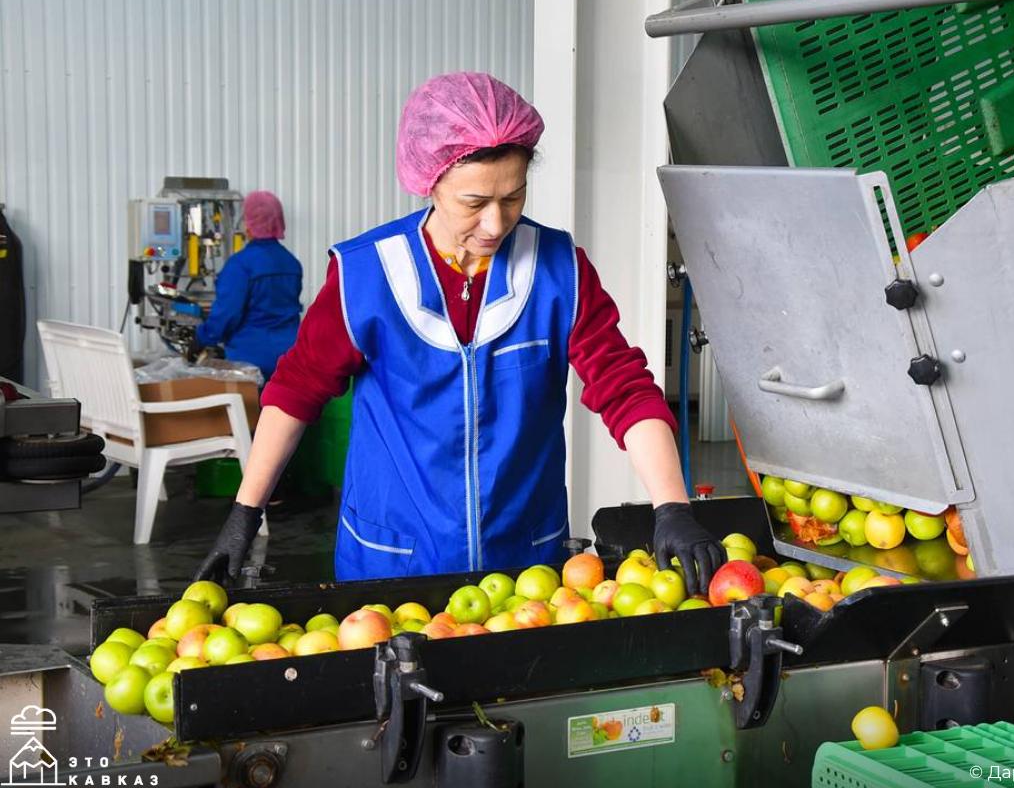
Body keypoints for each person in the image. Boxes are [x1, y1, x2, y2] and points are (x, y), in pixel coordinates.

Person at [194, 72, 724, 595]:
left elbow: (623, 386)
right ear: (430, 182)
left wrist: (671, 507)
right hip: (392, 565)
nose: (495, 224)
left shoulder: (558, 269)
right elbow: (297, 389)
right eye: (474, 203)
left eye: (513, 198)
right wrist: (245, 511)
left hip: (525, 571)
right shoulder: (367, 274)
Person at [192, 191, 303, 380]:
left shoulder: (240, 265)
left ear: (248, 224)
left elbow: (227, 314)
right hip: (290, 356)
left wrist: (200, 339)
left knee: (250, 409)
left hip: (250, 358)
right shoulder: (291, 263)